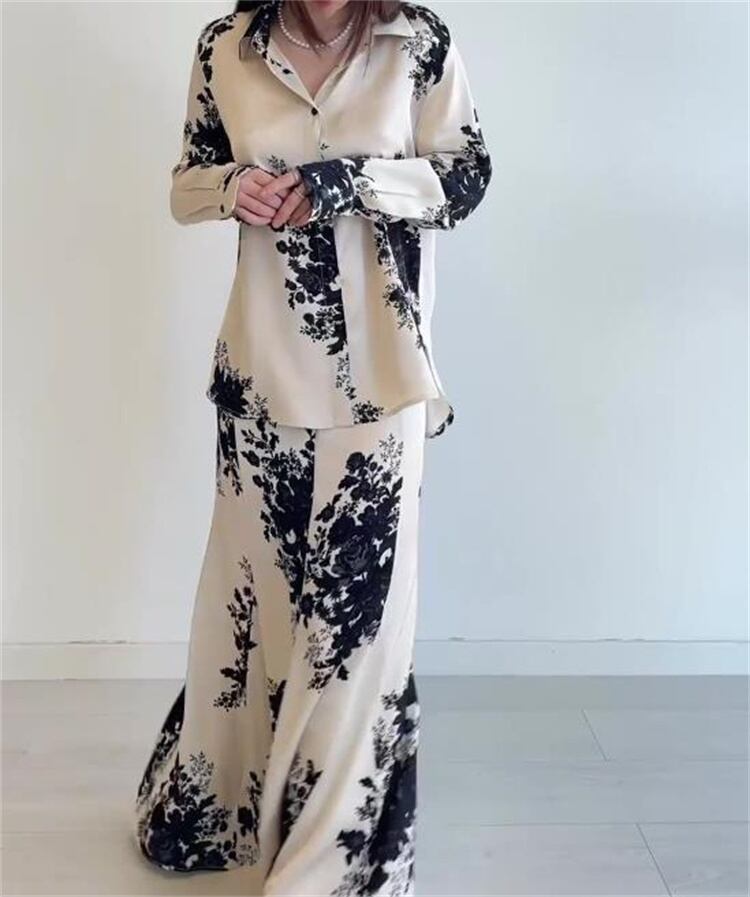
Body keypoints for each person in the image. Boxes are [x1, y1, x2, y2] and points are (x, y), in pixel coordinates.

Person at [132, 1, 492, 894]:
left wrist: (355, 180)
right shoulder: (226, 46)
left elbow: (467, 176)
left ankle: (333, 866)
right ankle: (226, 814)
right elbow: (185, 183)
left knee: (358, 633)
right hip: (262, 378)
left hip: (384, 381)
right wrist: (230, 190)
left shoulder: (417, 40)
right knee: (259, 616)